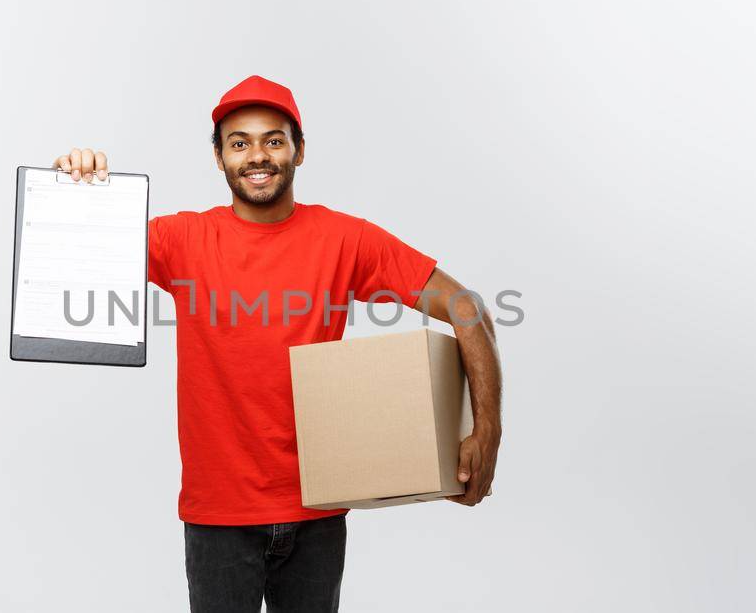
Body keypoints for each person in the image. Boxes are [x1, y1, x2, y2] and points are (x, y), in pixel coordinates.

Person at [52, 75, 503, 613]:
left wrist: (487, 430)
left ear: (299, 150)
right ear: (219, 158)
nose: (257, 155)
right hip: (218, 518)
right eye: (239, 143)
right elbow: (72, 250)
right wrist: (78, 187)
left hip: (318, 507)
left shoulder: (344, 239)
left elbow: (467, 309)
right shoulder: (180, 240)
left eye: (274, 139)